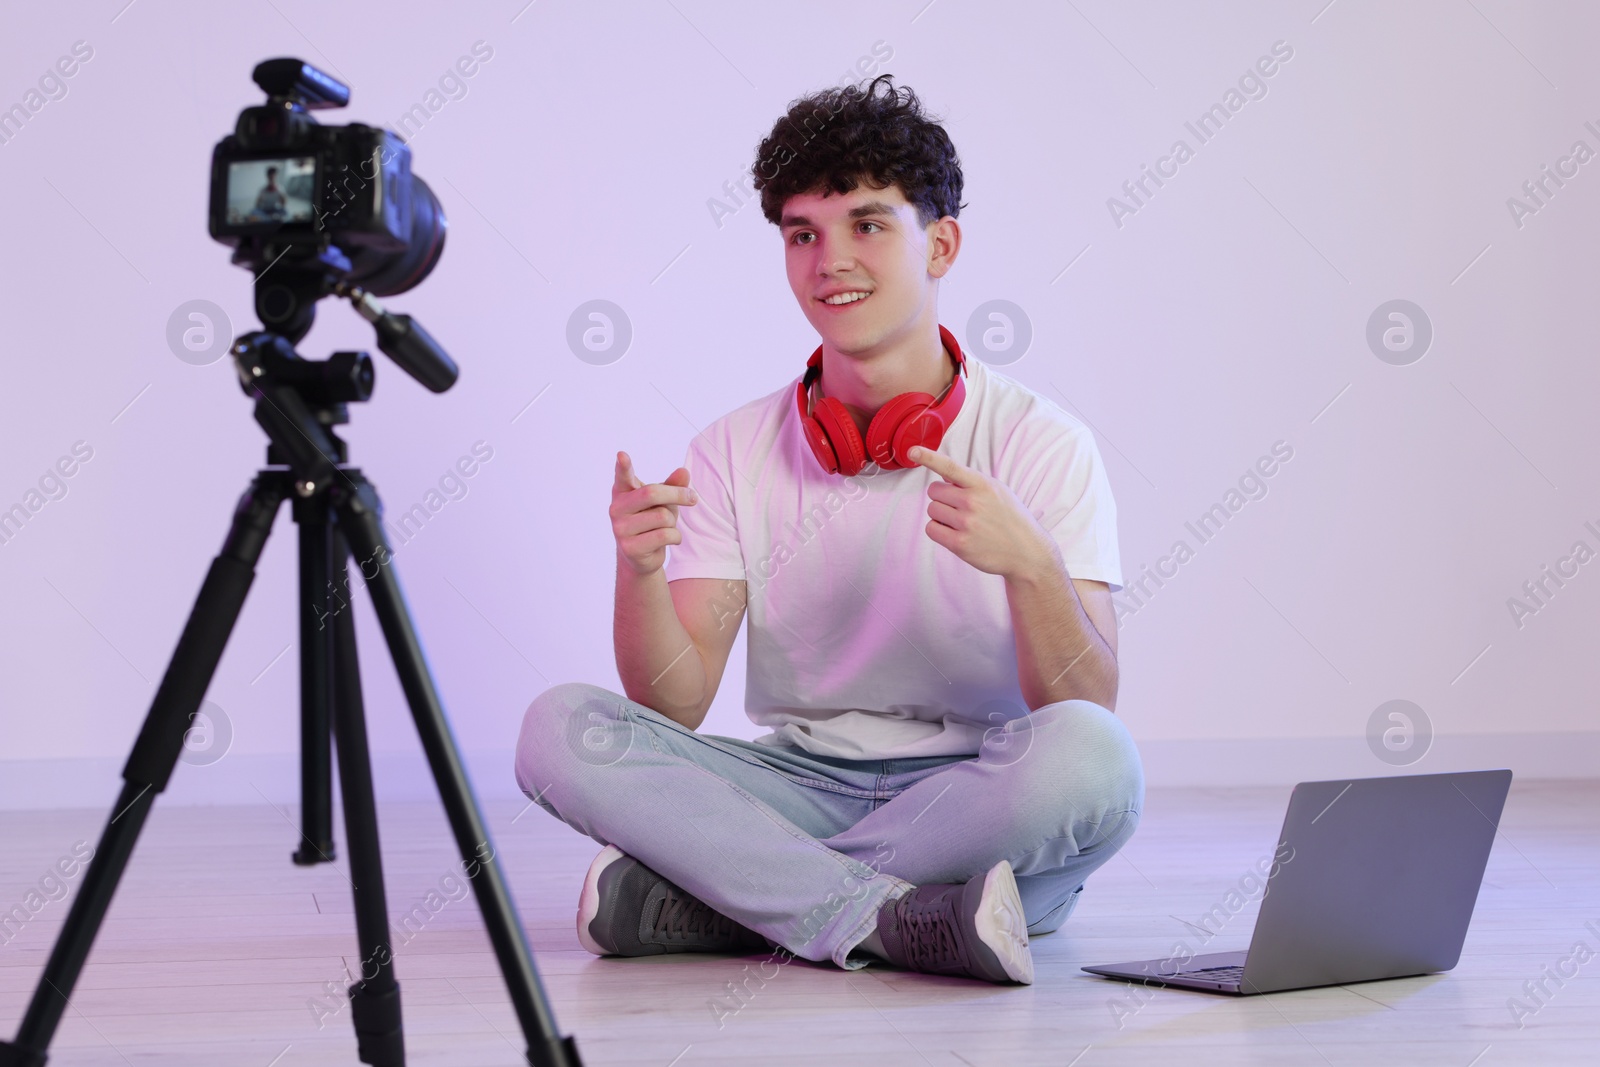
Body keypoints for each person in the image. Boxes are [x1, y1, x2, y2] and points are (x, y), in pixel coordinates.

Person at [515, 74, 1142, 985]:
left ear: (942, 243)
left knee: (1096, 759)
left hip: (980, 787)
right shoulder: (732, 447)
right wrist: (640, 573)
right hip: (796, 786)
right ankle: (903, 918)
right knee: (556, 726)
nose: (828, 261)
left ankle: (729, 897)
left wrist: (1034, 569)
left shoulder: (1042, 444)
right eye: (802, 233)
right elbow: (675, 705)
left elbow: (1085, 704)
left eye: (867, 225)